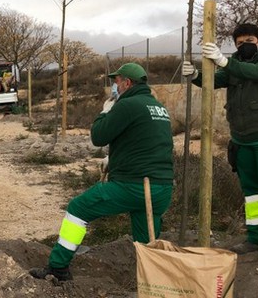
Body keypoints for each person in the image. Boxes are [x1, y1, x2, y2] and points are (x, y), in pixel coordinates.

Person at [29, 63, 174, 281]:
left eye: (116, 82)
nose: (114, 86)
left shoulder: (127, 105)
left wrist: (105, 112)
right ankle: (153, 283)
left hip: (132, 186)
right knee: (146, 242)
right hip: (161, 188)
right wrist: (113, 159)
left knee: (77, 208)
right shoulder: (158, 107)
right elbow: (146, 143)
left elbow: (98, 136)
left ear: (127, 83)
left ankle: (58, 267)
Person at [182, 23, 258, 272]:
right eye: (238, 42)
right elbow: (215, 80)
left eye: (248, 40)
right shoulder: (234, 63)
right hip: (243, 139)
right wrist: (196, 76)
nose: (243, 45)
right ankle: (257, 239)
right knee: (253, 194)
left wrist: (225, 61)